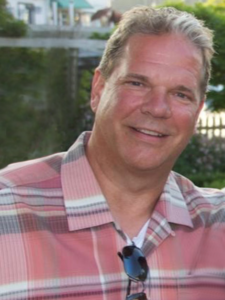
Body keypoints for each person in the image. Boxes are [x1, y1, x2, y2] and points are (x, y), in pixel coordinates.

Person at [0, 5, 225, 300]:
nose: (157, 108)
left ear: (197, 111)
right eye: (137, 83)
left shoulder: (217, 226)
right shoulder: (7, 211)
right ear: (98, 89)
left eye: (180, 94)